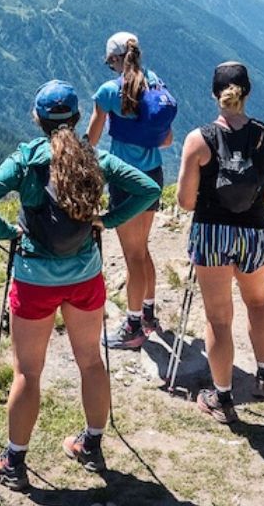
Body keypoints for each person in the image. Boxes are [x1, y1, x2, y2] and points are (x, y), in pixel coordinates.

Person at [0, 80, 160, 491]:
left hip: (35, 277)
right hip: (85, 276)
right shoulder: (94, 156)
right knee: (91, 361)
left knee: (27, 371)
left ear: (38, 119)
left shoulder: (25, 159)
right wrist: (106, 220)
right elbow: (148, 188)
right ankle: (91, 445)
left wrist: (9, 233)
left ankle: (14, 462)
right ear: (76, 119)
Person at [175, 61, 264, 424]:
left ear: (214, 94)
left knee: (219, 319)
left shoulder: (199, 139)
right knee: (258, 302)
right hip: (254, 231)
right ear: (248, 92)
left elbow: (185, 201)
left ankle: (222, 398)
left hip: (210, 233)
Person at [86, 31, 177, 349]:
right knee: (142, 249)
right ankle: (149, 313)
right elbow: (166, 140)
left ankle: (134, 326)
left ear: (114, 59)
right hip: (153, 174)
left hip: (125, 178)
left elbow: (92, 138)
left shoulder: (109, 92)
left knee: (132, 255)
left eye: (109, 62)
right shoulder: (157, 83)